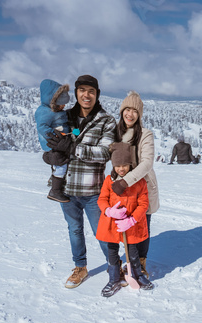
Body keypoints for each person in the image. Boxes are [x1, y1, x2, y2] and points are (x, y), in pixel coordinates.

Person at [46, 74, 116, 289]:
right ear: (76, 93)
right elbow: (55, 143)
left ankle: (115, 267)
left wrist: (73, 148)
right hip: (65, 188)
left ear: (97, 95)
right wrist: (50, 156)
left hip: (93, 190)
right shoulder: (65, 117)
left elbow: (104, 153)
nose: (87, 95)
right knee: (74, 230)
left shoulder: (106, 121)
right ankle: (80, 267)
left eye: (91, 91)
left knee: (102, 232)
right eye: (82, 90)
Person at [96, 142, 154, 297]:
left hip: (131, 225)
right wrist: (109, 211)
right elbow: (102, 199)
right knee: (112, 251)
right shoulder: (109, 180)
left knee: (133, 251)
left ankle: (137, 274)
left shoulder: (139, 181)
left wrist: (132, 219)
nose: (121, 169)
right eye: (117, 165)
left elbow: (143, 204)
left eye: (124, 165)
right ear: (113, 165)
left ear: (130, 165)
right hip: (111, 223)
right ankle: (114, 278)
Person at [113, 91, 160, 279]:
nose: (130, 114)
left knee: (142, 226)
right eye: (127, 110)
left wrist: (125, 181)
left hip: (142, 187)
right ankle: (128, 262)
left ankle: (141, 264)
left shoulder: (145, 135)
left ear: (139, 114)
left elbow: (147, 163)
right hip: (121, 189)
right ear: (122, 111)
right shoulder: (115, 133)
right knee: (124, 227)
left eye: (134, 111)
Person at [34, 79, 71, 203]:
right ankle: (55, 191)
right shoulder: (44, 112)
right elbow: (42, 127)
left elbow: (65, 124)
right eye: (61, 104)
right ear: (53, 101)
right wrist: (54, 135)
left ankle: (55, 179)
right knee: (61, 164)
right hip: (53, 144)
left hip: (62, 140)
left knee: (63, 161)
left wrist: (74, 131)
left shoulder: (57, 111)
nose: (64, 106)